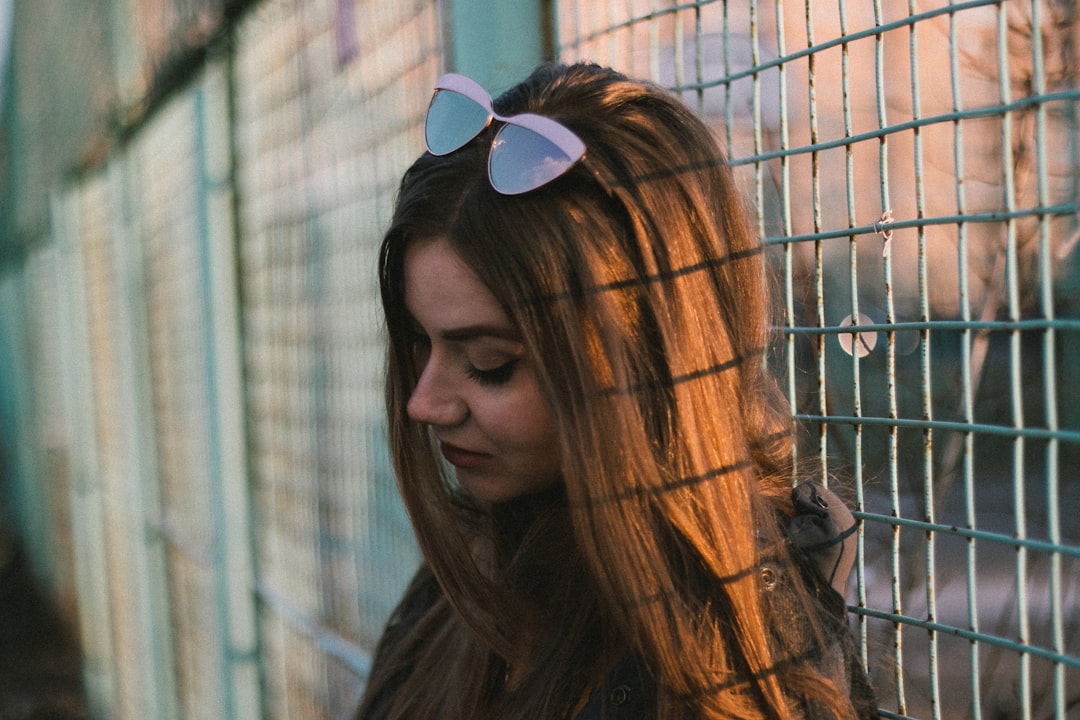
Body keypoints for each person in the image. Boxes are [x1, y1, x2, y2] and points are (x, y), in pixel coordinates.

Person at [355, 62, 877, 719]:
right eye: (417, 343)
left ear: (642, 360)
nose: (423, 404)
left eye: (490, 363)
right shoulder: (463, 590)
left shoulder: (744, 662)